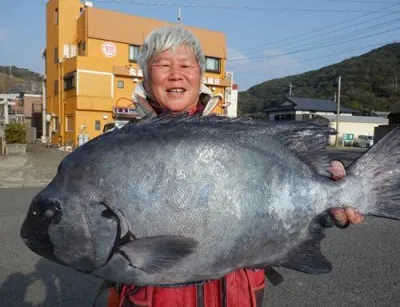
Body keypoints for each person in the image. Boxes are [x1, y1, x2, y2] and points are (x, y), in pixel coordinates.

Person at [107, 25, 364, 307]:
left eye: (185, 65)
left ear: (200, 75)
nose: (175, 74)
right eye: (163, 64)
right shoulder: (114, 150)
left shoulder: (243, 141)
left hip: (237, 296)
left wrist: (328, 204)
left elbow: (279, 200)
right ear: (145, 75)